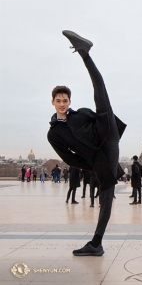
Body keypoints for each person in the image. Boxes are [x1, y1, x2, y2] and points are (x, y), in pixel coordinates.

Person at [47, 30, 126, 256]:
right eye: (58, 101)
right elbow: (69, 158)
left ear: (69, 101)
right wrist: (92, 165)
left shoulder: (79, 113)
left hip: (105, 132)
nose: (62, 104)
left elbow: (95, 112)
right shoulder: (54, 135)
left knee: (100, 92)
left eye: (65, 100)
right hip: (99, 155)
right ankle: (97, 243)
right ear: (52, 102)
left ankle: (85, 53)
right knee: (106, 194)